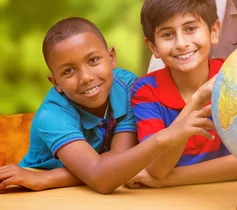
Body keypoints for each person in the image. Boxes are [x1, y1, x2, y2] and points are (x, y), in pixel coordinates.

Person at [0, 17, 212, 193]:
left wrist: (51, 178)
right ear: (56, 83)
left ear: (111, 58)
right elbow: (103, 179)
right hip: (42, 197)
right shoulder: (52, 114)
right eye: (68, 71)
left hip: (81, 189)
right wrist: (163, 138)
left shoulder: (127, 86)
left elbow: (118, 162)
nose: (85, 77)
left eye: (93, 60)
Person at [127, 0, 237, 188]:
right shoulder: (146, 91)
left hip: (231, 196)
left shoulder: (236, 75)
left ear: (214, 31)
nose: (181, 43)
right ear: (153, 47)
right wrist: (197, 99)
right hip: (168, 206)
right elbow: (157, 168)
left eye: (190, 28)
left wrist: (169, 180)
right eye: (167, 34)